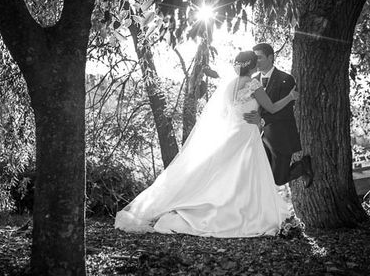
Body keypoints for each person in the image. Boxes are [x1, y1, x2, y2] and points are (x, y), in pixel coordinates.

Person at [115, 51, 297, 237]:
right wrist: (290, 97)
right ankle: (243, 212)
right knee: (244, 175)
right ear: (251, 66)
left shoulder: (229, 85)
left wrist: (255, 118)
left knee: (229, 174)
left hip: (233, 133)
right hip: (246, 135)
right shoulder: (254, 84)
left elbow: (227, 115)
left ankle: (231, 207)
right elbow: (272, 108)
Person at [245, 43, 314, 188]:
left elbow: (285, 110)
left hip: (282, 137)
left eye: (259, 58)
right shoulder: (252, 80)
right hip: (261, 138)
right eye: (254, 58)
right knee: (264, 177)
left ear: (270, 57)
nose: (256, 61)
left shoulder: (286, 79)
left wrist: (262, 120)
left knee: (278, 179)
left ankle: (303, 166)